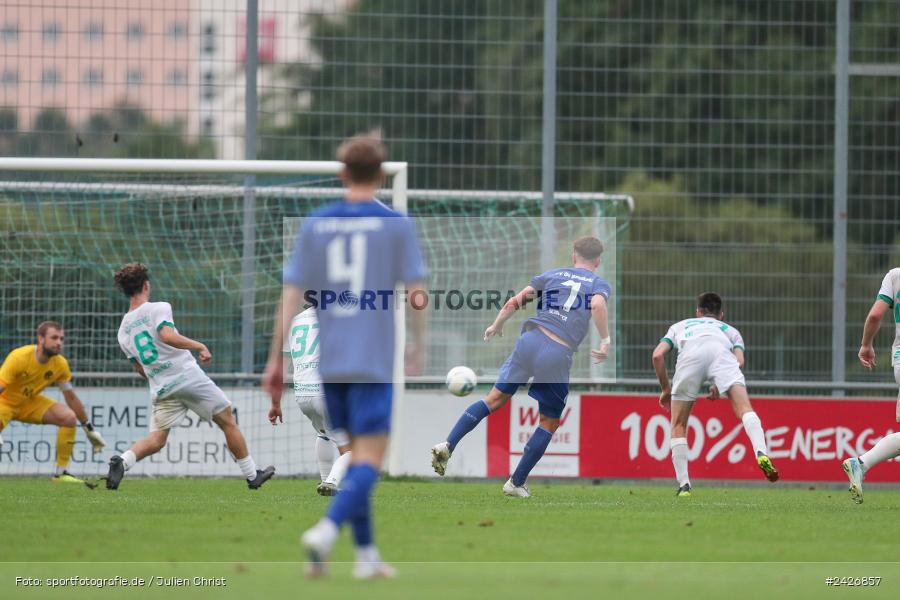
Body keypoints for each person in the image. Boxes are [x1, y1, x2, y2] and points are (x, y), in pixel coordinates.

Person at [263, 135, 427, 579]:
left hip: (328, 363)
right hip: (372, 359)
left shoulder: (317, 223)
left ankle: (368, 556)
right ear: (380, 175)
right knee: (367, 458)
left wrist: (275, 362)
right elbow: (416, 295)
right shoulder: (395, 225)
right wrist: (417, 345)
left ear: (341, 174)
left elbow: (292, 295)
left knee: (354, 452)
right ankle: (326, 530)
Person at [431, 236, 611, 498]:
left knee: (493, 399)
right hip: (557, 350)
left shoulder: (552, 274)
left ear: (574, 256)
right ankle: (516, 482)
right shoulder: (597, 282)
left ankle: (448, 444)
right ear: (598, 260)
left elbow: (515, 300)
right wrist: (605, 340)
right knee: (549, 422)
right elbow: (596, 304)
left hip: (530, 339)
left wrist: (497, 325)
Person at [106, 262, 274, 490]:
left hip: (161, 387)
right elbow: (167, 335)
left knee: (156, 439)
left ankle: (123, 462)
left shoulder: (123, 330)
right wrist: (199, 345)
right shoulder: (159, 308)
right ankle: (252, 475)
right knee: (227, 421)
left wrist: (160, 377)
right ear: (146, 285)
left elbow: (139, 368)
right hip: (186, 376)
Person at [651, 292, 778, 497]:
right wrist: (719, 384)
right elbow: (739, 361)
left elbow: (657, 355)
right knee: (745, 409)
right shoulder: (730, 331)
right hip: (722, 356)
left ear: (698, 313)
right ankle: (761, 452)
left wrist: (666, 389)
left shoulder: (680, 326)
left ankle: (684, 485)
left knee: (678, 425)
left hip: (690, 357)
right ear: (721, 315)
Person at [0, 321, 106, 482]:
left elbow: (70, 397)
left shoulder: (60, 364)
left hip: (29, 403)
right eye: (54, 338)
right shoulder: (19, 357)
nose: (59, 343)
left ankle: (61, 473)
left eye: (61, 339)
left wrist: (88, 428)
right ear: (41, 339)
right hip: (4, 402)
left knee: (68, 418)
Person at [269, 306, 351, 496]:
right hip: (326, 391)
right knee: (352, 447)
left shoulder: (294, 321)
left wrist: (275, 404)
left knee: (323, 433)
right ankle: (332, 481)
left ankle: (324, 481)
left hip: (303, 394)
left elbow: (280, 368)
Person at [842, 268, 900, 504]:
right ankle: (861, 463)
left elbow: (875, 315)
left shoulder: (895, 275)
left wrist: (866, 345)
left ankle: (861, 463)